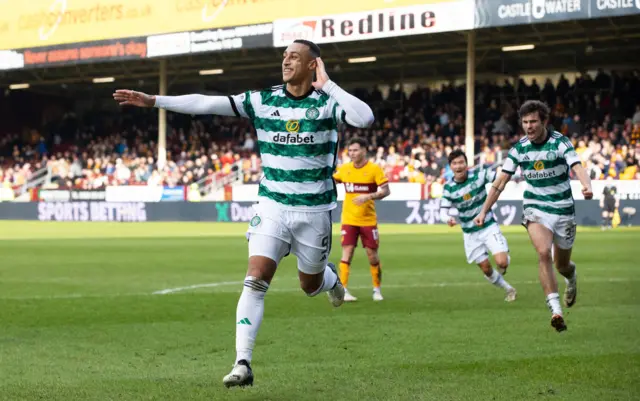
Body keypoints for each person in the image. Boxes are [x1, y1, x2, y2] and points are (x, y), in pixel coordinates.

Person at [113, 39, 375, 387]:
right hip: (272, 206)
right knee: (255, 279)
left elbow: (365, 117)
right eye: (284, 56)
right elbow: (206, 104)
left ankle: (330, 281)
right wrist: (155, 101)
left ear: (314, 64)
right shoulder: (263, 100)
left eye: (294, 57)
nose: (286, 61)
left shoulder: (328, 102)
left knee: (309, 285)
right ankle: (242, 363)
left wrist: (328, 84)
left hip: (315, 211)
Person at [474, 100, 593, 333]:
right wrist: (484, 210)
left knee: (562, 264)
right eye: (525, 122)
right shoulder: (519, 148)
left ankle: (572, 277)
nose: (529, 126)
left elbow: (577, 167)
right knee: (542, 252)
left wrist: (586, 186)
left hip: (563, 209)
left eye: (533, 121)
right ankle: (556, 310)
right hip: (535, 208)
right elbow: (500, 182)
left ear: (544, 121)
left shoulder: (560, 142)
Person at [439, 150, 517, 302]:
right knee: (486, 269)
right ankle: (509, 289)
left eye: (461, 162)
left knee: (502, 263)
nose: (458, 166)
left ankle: (504, 257)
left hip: (488, 226)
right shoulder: (449, 188)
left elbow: (500, 178)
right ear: (450, 167)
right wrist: (447, 219)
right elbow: (443, 212)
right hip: (470, 233)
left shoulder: (480, 174)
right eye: (454, 163)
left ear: (466, 164)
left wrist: (510, 177)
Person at [332, 137, 390, 302]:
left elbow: (386, 191)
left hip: (368, 220)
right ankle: (343, 290)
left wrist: (369, 196)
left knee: (372, 255)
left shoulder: (374, 169)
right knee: (347, 253)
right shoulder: (344, 169)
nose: (352, 153)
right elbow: (331, 181)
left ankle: (377, 289)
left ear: (364, 150)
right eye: (350, 150)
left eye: (355, 150)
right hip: (349, 219)